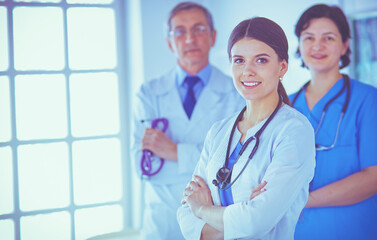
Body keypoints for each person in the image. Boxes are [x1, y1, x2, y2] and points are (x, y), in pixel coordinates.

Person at [177, 17, 316, 240]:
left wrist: (203, 209)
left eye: (260, 60)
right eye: (239, 60)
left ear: (282, 67)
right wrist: (239, 217)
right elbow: (185, 212)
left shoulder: (294, 131)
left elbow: (256, 221)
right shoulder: (219, 131)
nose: (247, 71)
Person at [131, 2, 244, 240]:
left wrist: (173, 152)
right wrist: (204, 163)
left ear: (213, 37)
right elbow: (143, 168)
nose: (190, 38)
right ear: (169, 42)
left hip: (211, 223)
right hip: (162, 223)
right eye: (180, 31)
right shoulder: (149, 93)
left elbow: (235, 167)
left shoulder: (236, 93)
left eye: (199, 29)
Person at [289, 4, 377, 240]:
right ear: (299, 44)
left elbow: (374, 176)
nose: (317, 46)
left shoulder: (368, 100)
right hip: (297, 232)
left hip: (354, 231)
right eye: (309, 38)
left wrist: (305, 200)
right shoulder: (283, 106)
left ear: (345, 45)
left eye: (328, 38)